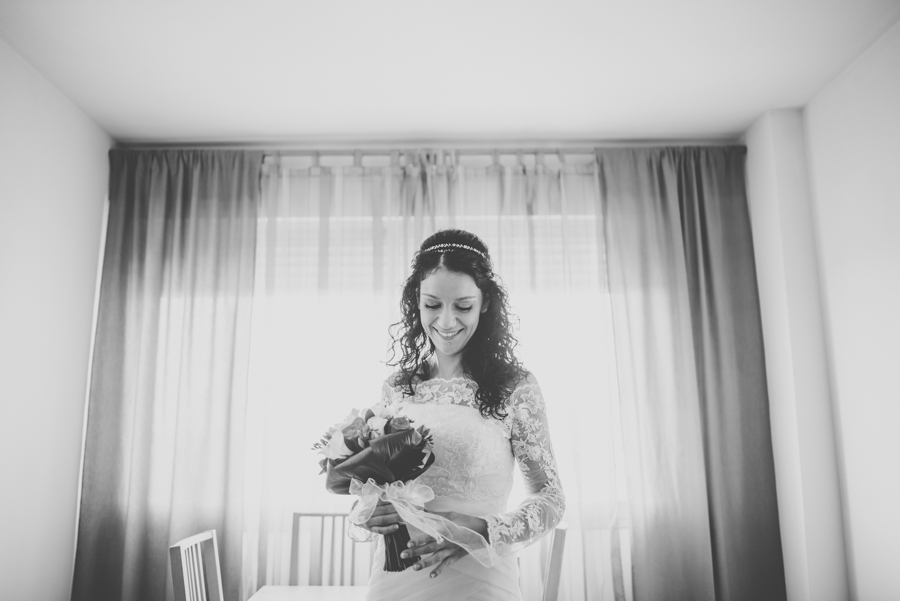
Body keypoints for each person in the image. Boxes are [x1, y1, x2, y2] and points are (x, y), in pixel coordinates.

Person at [353, 229, 565, 600]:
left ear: (485, 303)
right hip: (396, 580)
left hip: (479, 580)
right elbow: (379, 488)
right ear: (415, 303)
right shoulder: (398, 387)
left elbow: (550, 497)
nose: (447, 322)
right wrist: (370, 509)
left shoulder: (516, 386)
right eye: (432, 305)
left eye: (462, 306)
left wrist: (483, 529)